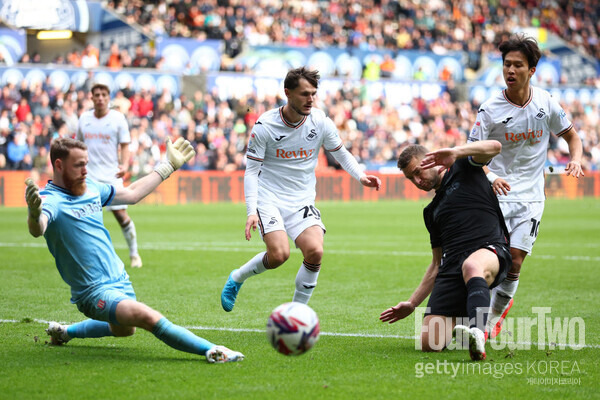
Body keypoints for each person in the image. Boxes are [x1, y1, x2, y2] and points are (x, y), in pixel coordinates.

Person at [24, 137, 243, 363]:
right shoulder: (50, 200)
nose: (85, 170)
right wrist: (33, 214)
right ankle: (213, 350)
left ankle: (65, 332)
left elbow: (132, 194)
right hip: (93, 292)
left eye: (86, 163)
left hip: (120, 278)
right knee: (145, 316)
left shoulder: (91, 188)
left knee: (125, 330)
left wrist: (168, 166)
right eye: (79, 165)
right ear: (58, 165)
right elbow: (38, 228)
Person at [221, 67, 381, 312]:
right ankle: (237, 277)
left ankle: (296, 315)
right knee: (278, 255)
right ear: (288, 93)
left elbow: (340, 153)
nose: (310, 99)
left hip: (301, 200)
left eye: (313, 94)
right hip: (269, 197)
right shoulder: (265, 126)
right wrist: (251, 211)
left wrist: (360, 176)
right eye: (304, 94)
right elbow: (252, 171)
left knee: (315, 251)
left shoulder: (320, 121)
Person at [468, 34, 584, 340]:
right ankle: (473, 316)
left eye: (518, 65)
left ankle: (491, 320)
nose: (510, 70)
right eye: (507, 64)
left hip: (531, 198)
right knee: (488, 260)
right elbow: (472, 154)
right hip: (495, 196)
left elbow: (573, 136)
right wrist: (492, 176)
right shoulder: (489, 109)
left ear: (532, 70)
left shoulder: (546, 103)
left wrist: (576, 160)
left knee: (516, 260)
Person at [380, 141, 511, 361]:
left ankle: (479, 331)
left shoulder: (464, 166)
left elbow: (496, 146)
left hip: (489, 251)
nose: (417, 181)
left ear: (431, 159)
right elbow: (435, 264)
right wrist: (412, 303)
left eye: (417, 172)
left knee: (472, 266)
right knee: (429, 344)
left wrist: (456, 152)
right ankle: (471, 305)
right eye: (411, 178)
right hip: (451, 269)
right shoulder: (430, 211)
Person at [77, 83, 143, 268]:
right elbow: (79, 146)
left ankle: (134, 253)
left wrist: (125, 164)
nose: (100, 98)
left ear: (108, 98)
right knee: (85, 218)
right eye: (96, 94)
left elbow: (124, 145)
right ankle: (88, 259)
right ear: (91, 97)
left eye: (103, 95)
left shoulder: (117, 119)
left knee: (121, 215)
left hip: (111, 175)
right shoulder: (84, 119)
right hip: (89, 177)